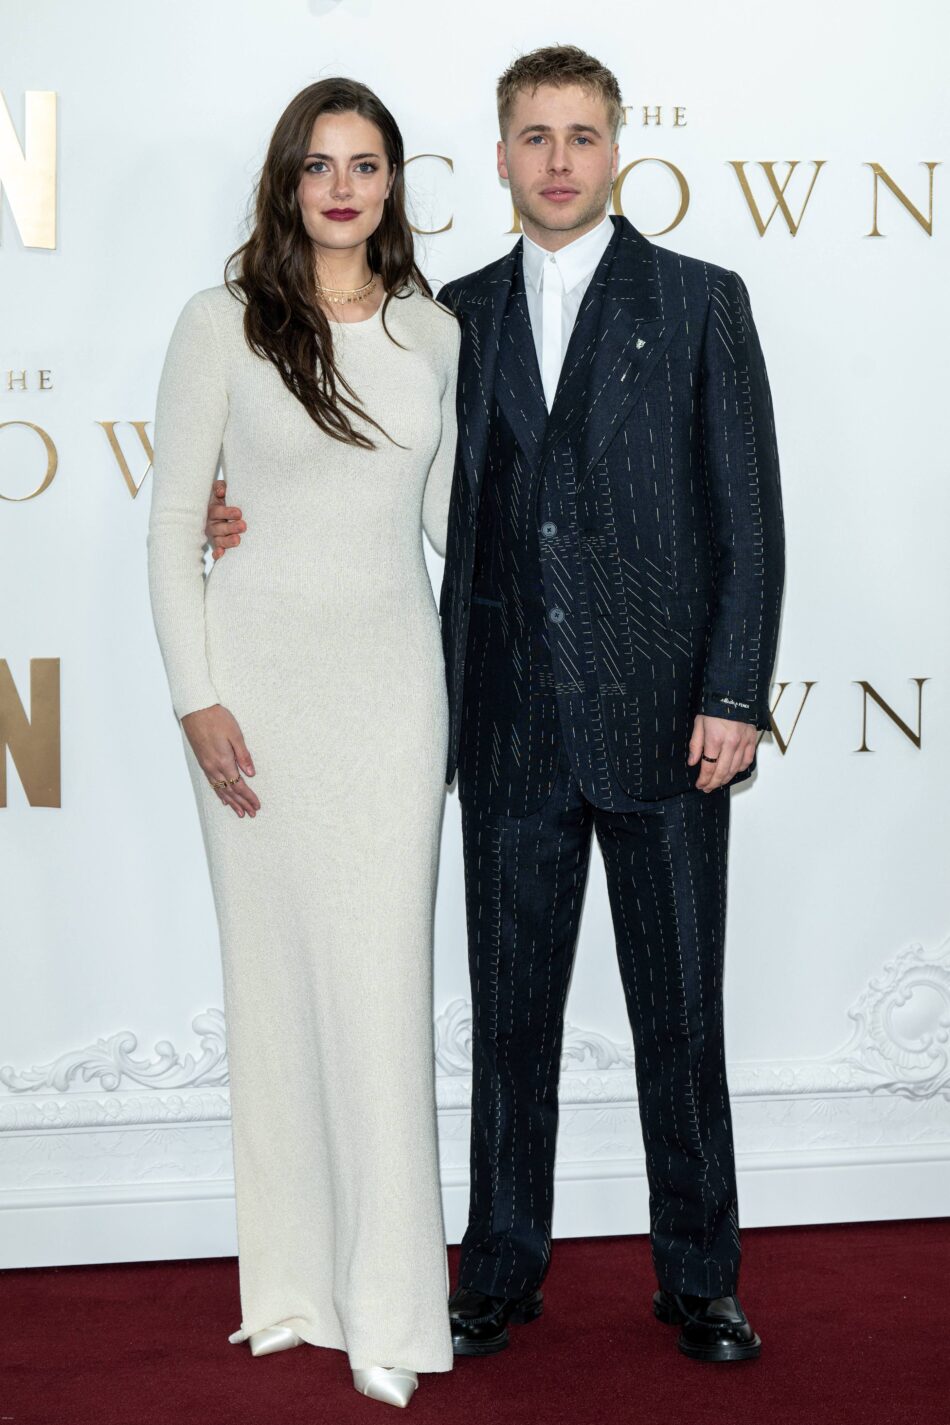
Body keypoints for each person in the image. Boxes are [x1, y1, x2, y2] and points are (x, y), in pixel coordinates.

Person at [208, 43, 785, 1369]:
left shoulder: (698, 303)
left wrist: (732, 691)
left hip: (668, 732)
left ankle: (700, 1277)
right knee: (508, 1026)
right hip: (507, 731)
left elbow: (745, 521)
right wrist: (243, 515)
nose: (558, 160)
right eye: (533, 136)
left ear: (616, 147)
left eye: (580, 136)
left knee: (680, 1022)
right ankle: (499, 1270)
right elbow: (403, 488)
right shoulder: (450, 317)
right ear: (502, 151)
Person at [147, 77, 459, 1408]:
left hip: (391, 692)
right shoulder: (218, 325)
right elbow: (172, 527)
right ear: (287, 182)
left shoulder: (432, 334)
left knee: (379, 998)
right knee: (270, 987)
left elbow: (457, 529)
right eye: (319, 164)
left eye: (367, 164)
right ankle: (284, 1285)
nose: (342, 186)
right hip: (254, 692)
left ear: (392, 186)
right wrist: (196, 696)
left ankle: (392, 1306)